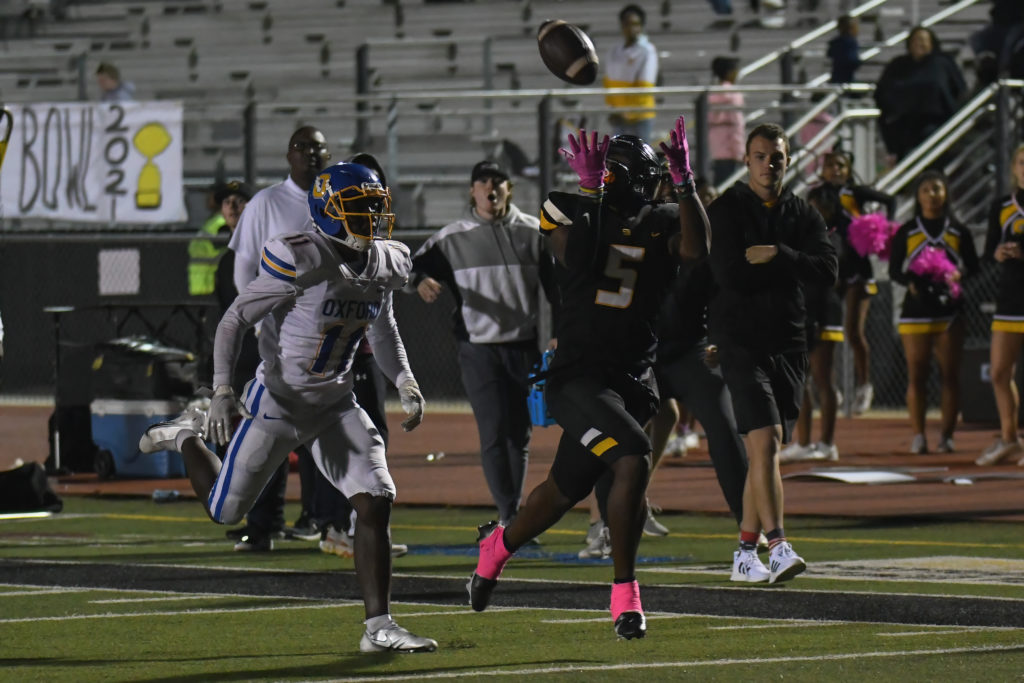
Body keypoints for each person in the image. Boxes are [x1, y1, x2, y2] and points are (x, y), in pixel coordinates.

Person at [138, 161, 437, 654]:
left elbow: (382, 326)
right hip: (278, 401)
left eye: (374, 208)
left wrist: (403, 377)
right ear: (327, 212)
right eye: (358, 210)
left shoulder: (386, 260)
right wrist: (220, 391)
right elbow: (234, 320)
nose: (370, 220)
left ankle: (378, 627)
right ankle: (185, 434)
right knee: (225, 510)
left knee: (376, 499)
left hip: (336, 404)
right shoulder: (301, 256)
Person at [469, 117, 710, 640]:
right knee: (631, 455)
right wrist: (590, 193)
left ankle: (498, 546)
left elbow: (697, 251)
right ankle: (625, 594)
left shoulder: (664, 216)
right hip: (579, 375)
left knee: (560, 492)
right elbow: (578, 261)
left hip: (629, 379)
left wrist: (688, 184)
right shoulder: (567, 206)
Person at [706, 122, 837, 584]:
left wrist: (780, 254)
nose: (769, 164)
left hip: (789, 341)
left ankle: (745, 552)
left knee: (768, 448)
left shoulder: (801, 212)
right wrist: (789, 266)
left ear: (788, 160)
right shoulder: (726, 210)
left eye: (777, 156)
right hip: (740, 342)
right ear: (746, 160)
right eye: (760, 156)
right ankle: (778, 545)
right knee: (765, 443)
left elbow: (827, 268)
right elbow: (729, 274)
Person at [409, 160, 557, 528]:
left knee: (520, 436)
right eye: (483, 182)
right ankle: (509, 515)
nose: (491, 189)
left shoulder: (533, 232)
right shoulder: (452, 237)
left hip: (524, 347)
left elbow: (558, 289)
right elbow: (408, 267)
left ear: (510, 189)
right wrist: (419, 281)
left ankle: (514, 511)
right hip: (479, 349)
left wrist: (558, 334)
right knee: (494, 433)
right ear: (472, 191)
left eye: (498, 182)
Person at [223, 125, 333, 550]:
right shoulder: (266, 203)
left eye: (319, 148)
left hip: (326, 340)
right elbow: (243, 266)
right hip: (278, 340)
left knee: (327, 432)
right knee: (268, 431)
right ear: (288, 154)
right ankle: (263, 524)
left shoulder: (334, 199)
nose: (312, 154)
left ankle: (324, 520)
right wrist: (255, 316)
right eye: (303, 147)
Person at [888, 170, 979, 454]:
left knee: (949, 374)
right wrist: (911, 283)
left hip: (950, 312)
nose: (932, 195)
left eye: (937, 189)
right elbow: (894, 270)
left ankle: (947, 436)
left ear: (946, 193)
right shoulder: (908, 230)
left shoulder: (957, 230)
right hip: (916, 312)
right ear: (918, 195)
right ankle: (918, 435)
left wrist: (958, 275)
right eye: (926, 189)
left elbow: (974, 266)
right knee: (917, 374)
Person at [813, 150, 896, 415]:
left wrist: (884, 227)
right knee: (828, 334)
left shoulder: (854, 193)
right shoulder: (816, 195)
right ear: (822, 169)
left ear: (848, 169)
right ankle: (832, 389)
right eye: (830, 165)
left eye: (840, 165)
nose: (835, 169)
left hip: (858, 269)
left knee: (853, 331)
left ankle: (864, 385)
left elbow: (889, 199)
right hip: (831, 271)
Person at [779, 184, 845, 463]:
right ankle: (804, 441)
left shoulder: (836, 238)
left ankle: (828, 443)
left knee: (823, 379)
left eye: (822, 206)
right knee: (800, 380)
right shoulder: (803, 235)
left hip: (824, 312)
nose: (815, 211)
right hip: (802, 311)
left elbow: (825, 277)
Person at [977, 144, 1024, 466]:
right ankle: (1009, 439)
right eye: (1022, 161)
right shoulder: (1002, 206)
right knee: (999, 372)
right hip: (1010, 299)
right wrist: (997, 254)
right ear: (1013, 167)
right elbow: (987, 253)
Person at [874, 26, 967, 161]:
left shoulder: (943, 63)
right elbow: (883, 92)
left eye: (923, 40)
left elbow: (959, 91)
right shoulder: (898, 65)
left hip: (936, 124)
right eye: (916, 40)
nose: (919, 44)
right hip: (904, 126)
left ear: (931, 43)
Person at [603, 4, 659, 142]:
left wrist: (627, 114)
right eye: (628, 24)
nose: (632, 29)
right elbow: (608, 84)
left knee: (640, 159)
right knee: (619, 159)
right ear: (622, 25)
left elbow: (645, 87)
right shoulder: (614, 52)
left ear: (641, 26)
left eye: (636, 24)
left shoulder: (647, 51)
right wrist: (612, 110)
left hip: (640, 116)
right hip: (619, 116)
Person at [708, 56, 745, 187]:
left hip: (717, 148)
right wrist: (740, 152)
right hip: (731, 150)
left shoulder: (714, 93)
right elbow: (736, 126)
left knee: (719, 186)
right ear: (730, 72)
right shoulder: (733, 95)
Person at [827, 14, 862, 85]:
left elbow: (829, 54)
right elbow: (851, 60)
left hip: (837, 76)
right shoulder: (849, 42)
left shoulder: (836, 42)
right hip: (846, 77)